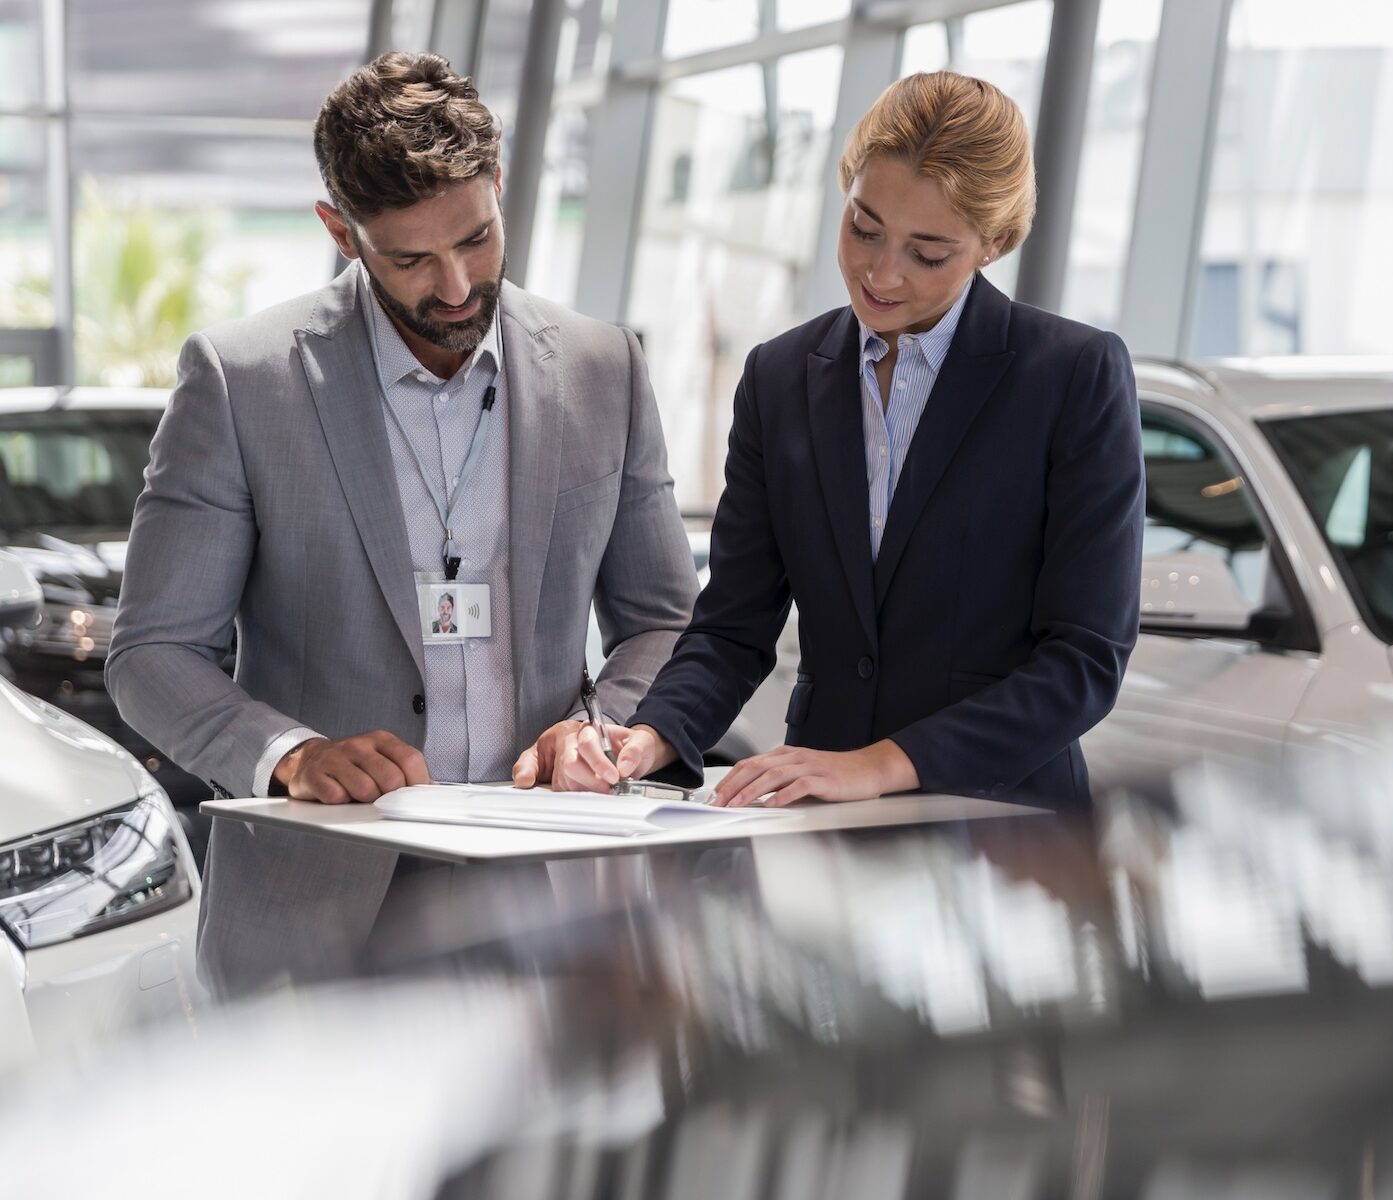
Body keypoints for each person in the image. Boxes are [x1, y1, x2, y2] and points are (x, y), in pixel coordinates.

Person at [106, 52, 697, 995]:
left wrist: (603, 728)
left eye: (477, 238)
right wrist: (289, 754)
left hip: (552, 899)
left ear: (500, 187)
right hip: (316, 914)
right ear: (340, 231)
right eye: (412, 258)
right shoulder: (240, 380)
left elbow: (666, 621)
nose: (458, 286)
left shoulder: (603, 367)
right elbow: (152, 653)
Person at [512, 71, 1144, 808]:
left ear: (994, 242)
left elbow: (1083, 660)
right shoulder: (779, 377)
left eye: (927, 253)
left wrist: (881, 763)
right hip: (816, 828)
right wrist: (648, 735)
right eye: (863, 228)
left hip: (1000, 827)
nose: (881, 272)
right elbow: (732, 628)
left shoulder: (1071, 376)